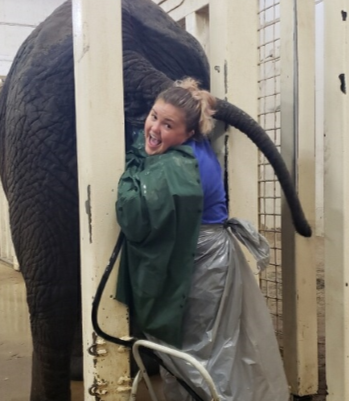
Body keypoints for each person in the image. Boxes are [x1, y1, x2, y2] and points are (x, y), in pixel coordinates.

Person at [116, 78, 289, 401]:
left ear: (189, 133)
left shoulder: (180, 168)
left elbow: (135, 216)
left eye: (168, 124)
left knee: (196, 347)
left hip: (203, 260)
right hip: (215, 255)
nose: (155, 128)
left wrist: (131, 168)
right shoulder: (193, 147)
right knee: (218, 345)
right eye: (154, 116)